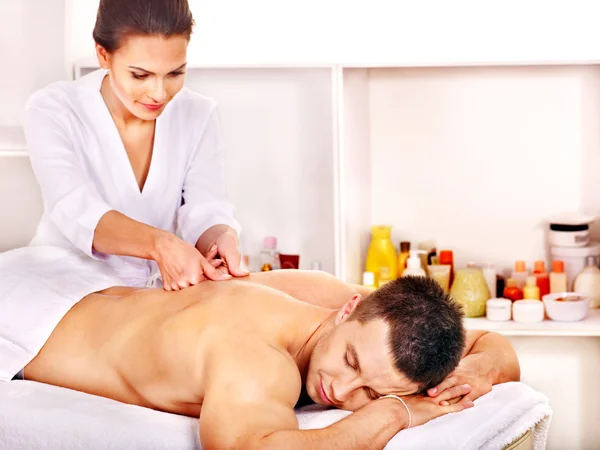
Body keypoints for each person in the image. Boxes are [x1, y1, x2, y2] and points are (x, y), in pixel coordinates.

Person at [22, 270, 520, 449]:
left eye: (369, 390)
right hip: (27, 326)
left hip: (83, 290)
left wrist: (477, 372)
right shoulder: (258, 364)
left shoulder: (345, 309)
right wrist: (391, 411)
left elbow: (490, 344)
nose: (340, 391)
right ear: (349, 310)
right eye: (349, 360)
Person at [23, 0, 246, 290]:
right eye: (140, 75)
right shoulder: (53, 109)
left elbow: (206, 208)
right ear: (104, 55)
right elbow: (76, 210)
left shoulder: (198, 113)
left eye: (175, 73)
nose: (159, 93)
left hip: (154, 292)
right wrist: (160, 244)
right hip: (63, 284)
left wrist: (221, 239)